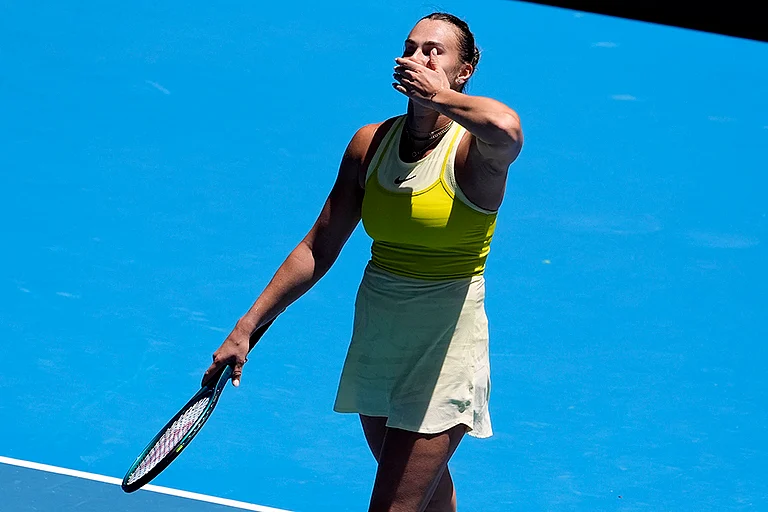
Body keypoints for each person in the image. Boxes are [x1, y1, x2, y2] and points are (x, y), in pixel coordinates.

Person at [202, 12, 523, 512]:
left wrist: (434, 96)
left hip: (445, 346)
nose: (417, 58)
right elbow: (318, 246)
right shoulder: (370, 144)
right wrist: (248, 325)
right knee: (427, 497)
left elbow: (507, 128)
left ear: (464, 71)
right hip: (379, 337)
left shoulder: (475, 152)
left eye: (434, 52)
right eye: (411, 48)